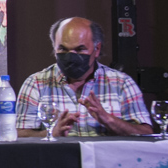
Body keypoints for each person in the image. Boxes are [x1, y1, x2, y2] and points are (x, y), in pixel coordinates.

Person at [16, 17, 152, 137]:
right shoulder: (36, 83)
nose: (71, 57)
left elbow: (146, 133)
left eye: (80, 49)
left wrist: (108, 120)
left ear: (97, 49)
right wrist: (51, 134)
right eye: (63, 49)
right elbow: (20, 135)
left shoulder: (121, 83)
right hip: (58, 158)